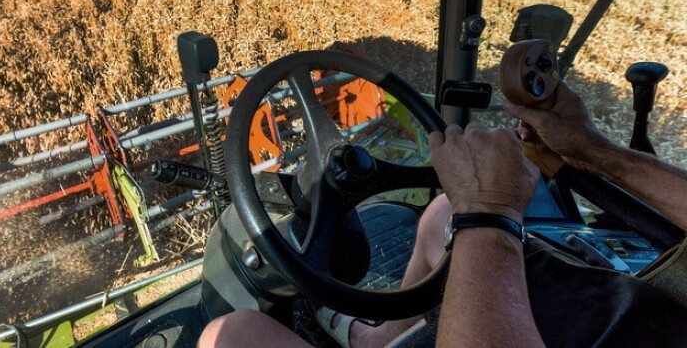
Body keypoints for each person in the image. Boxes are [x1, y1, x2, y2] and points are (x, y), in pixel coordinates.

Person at [199, 82, 687, 348]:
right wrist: (593, 151)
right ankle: (381, 338)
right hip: (632, 314)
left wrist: (491, 211)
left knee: (232, 334)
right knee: (445, 214)